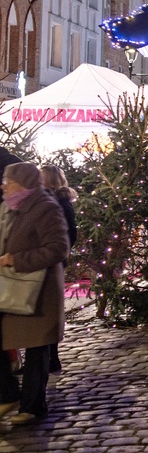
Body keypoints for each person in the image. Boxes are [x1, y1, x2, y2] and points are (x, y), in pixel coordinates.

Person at [0, 163, 70, 425]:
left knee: (37, 347)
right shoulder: (8, 207)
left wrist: (15, 260)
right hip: (9, 288)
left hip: (40, 291)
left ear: (25, 183)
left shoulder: (46, 208)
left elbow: (58, 249)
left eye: (10, 181)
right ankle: (8, 394)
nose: (4, 186)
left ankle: (32, 406)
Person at [40, 164, 78, 374]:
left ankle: (52, 358)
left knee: (50, 309)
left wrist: (60, 253)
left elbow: (71, 232)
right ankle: (48, 358)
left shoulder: (60, 202)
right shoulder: (44, 200)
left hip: (54, 260)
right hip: (49, 260)